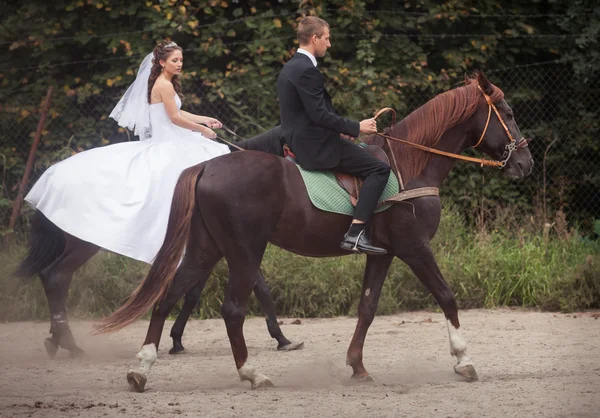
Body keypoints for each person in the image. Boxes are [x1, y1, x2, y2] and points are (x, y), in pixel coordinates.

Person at [25, 41, 230, 263]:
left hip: (175, 138)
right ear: (162, 62)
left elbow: (177, 111)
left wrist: (204, 119)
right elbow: (174, 118)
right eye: (174, 60)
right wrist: (202, 130)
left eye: (181, 60)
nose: (179, 64)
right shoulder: (164, 85)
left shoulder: (165, 84)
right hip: (169, 142)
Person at [276, 16, 390, 255]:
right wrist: (357, 128)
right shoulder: (307, 71)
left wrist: (341, 130)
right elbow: (319, 116)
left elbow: (306, 115)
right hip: (314, 146)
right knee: (379, 169)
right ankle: (356, 233)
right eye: (327, 39)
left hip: (300, 138)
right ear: (314, 38)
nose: (329, 44)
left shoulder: (290, 66)